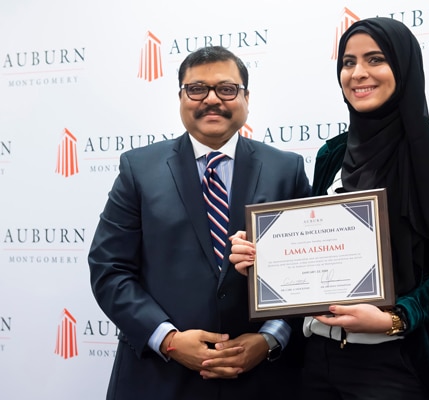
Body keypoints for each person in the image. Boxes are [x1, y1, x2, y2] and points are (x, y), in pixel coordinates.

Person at [229, 17, 429, 400]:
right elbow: (317, 245)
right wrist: (260, 256)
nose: (358, 73)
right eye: (348, 62)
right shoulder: (331, 153)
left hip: (399, 360)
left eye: (375, 59)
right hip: (317, 357)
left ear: (403, 66)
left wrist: (397, 318)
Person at [88, 46, 311, 400]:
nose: (211, 100)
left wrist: (270, 338)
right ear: (180, 97)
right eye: (197, 89)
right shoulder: (139, 169)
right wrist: (170, 340)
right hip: (159, 378)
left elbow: (307, 273)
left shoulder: (287, 170)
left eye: (226, 89)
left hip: (262, 379)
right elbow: (109, 268)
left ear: (246, 98)